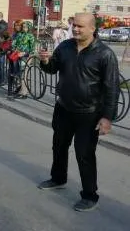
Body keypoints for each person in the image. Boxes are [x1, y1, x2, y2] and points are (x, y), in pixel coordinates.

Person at [37, 13, 119, 212]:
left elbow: (112, 88)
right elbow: (53, 69)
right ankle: (58, 178)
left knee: (85, 154)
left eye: (80, 26)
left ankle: (90, 195)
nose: (75, 29)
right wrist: (46, 61)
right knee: (59, 146)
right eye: (74, 25)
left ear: (92, 28)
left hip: (89, 114)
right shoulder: (65, 46)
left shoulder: (104, 54)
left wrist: (107, 118)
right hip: (64, 108)